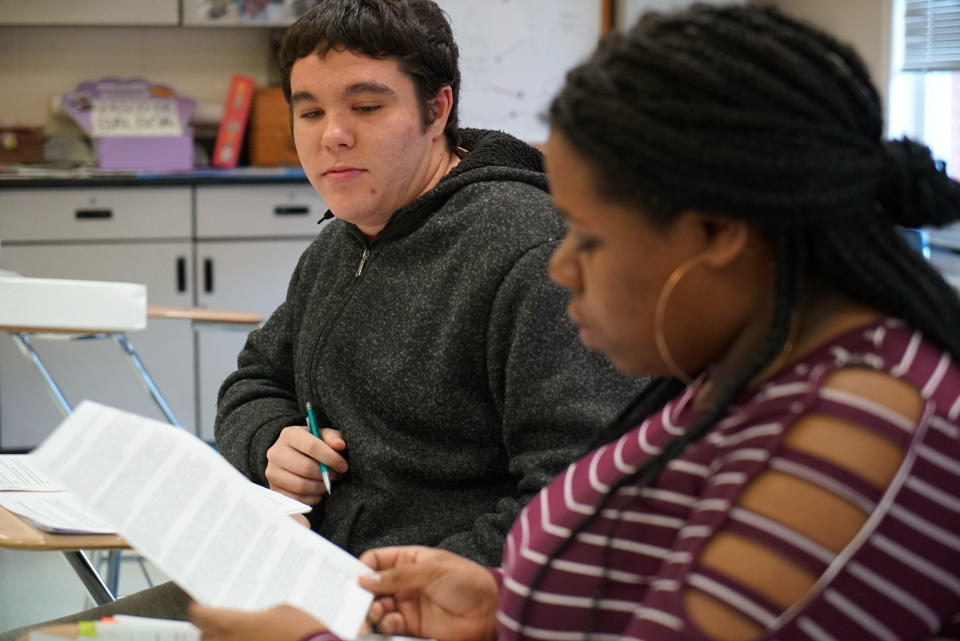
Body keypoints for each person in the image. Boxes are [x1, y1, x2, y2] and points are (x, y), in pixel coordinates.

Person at [185, 4, 960, 641]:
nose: (563, 263)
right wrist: (500, 609)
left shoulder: (857, 423)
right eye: (310, 110)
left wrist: (330, 634)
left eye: (591, 238)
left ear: (717, 233)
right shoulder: (753, 368)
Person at [0, 1, 637, 638]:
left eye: (366, 108)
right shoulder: (344, 241)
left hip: (411, 611)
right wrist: (272, 442)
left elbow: (576, 500)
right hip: (298, 574)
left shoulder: (529, 251)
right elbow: (252, 383)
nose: (332, 136)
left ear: (437, 110)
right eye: (309, 112)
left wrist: (396, 601)